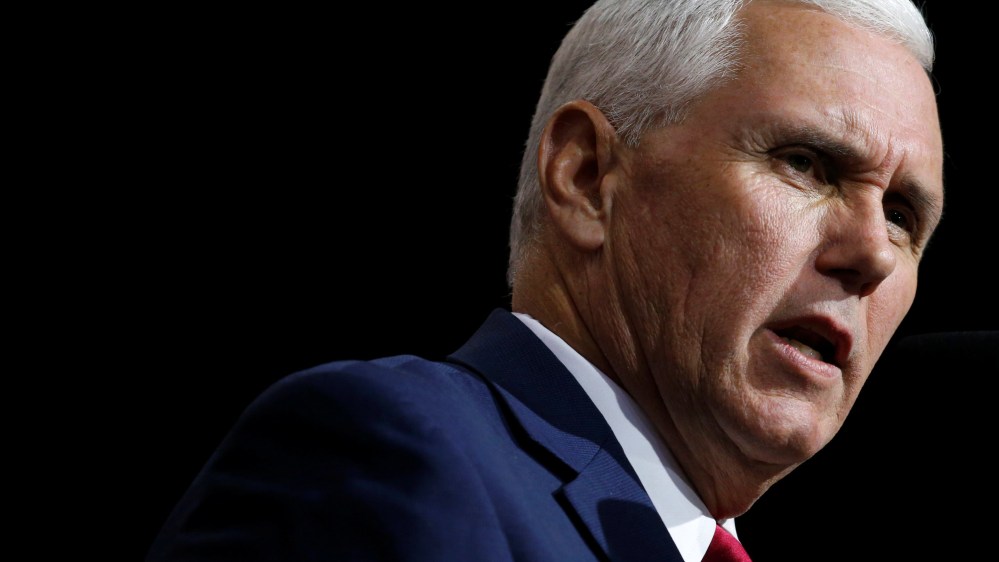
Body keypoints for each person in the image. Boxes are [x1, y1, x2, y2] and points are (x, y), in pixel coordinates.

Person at [146, 0, 945, 560]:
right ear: (587, 176)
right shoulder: (393, 454)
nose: (871, 253)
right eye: (804, 163)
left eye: (902, 216)